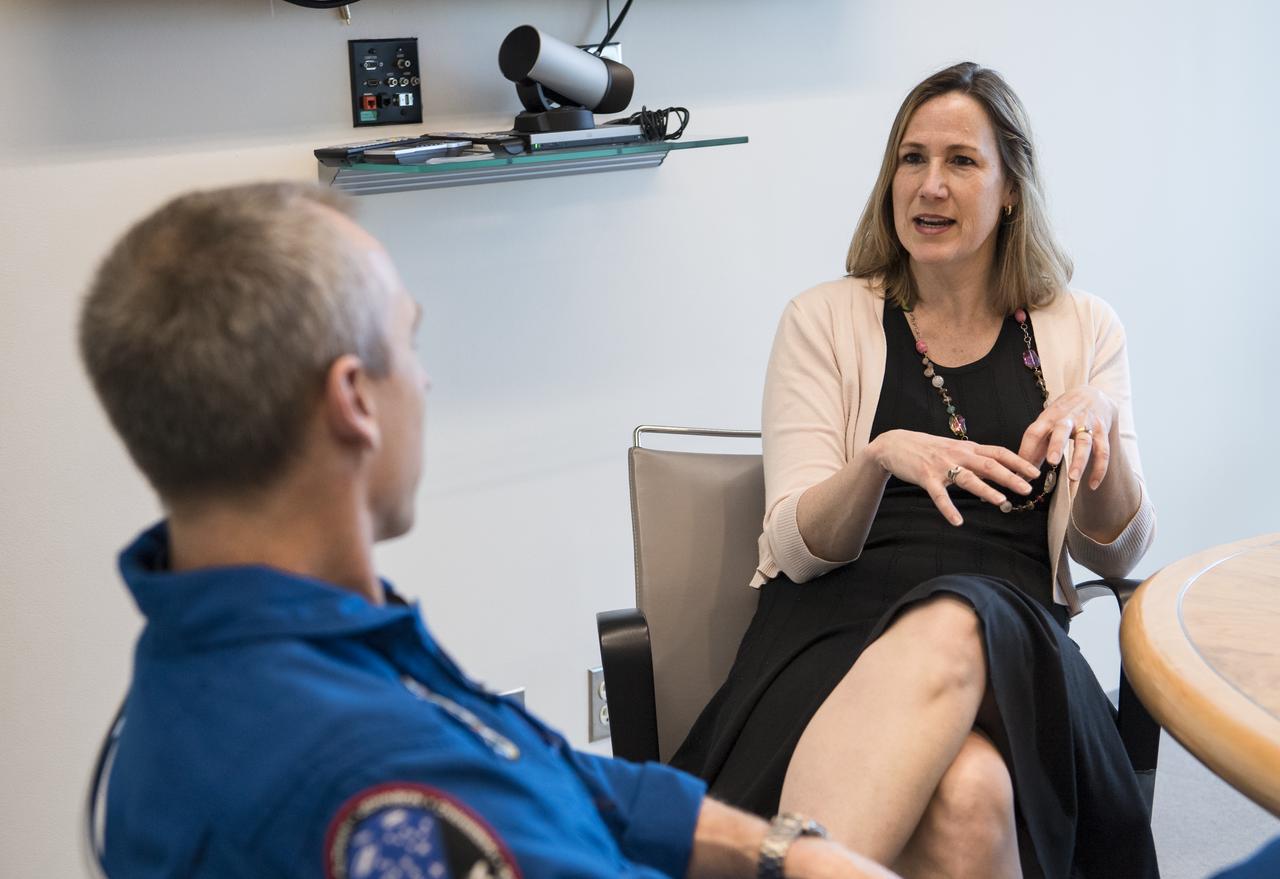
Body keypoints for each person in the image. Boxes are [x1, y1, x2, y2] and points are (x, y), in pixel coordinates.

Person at [78, 183, 902, 879]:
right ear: (354, 400)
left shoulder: (274, 640)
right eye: (409, 340)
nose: (425, 378)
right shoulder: (375, 781)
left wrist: (774, 846)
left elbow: (537, 764)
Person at [670, 62, 1159, 879]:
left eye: (961, 161)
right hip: (837, 632)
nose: (929, 185)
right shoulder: (822, 319)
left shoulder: (1083, 328)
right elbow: (794, 545)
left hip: (1018, 649)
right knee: (968, 793)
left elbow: (1119, 555)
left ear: (1010, 189)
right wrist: (875, 460)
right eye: (911, 158)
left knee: (959, 615)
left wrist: (1100, 425)